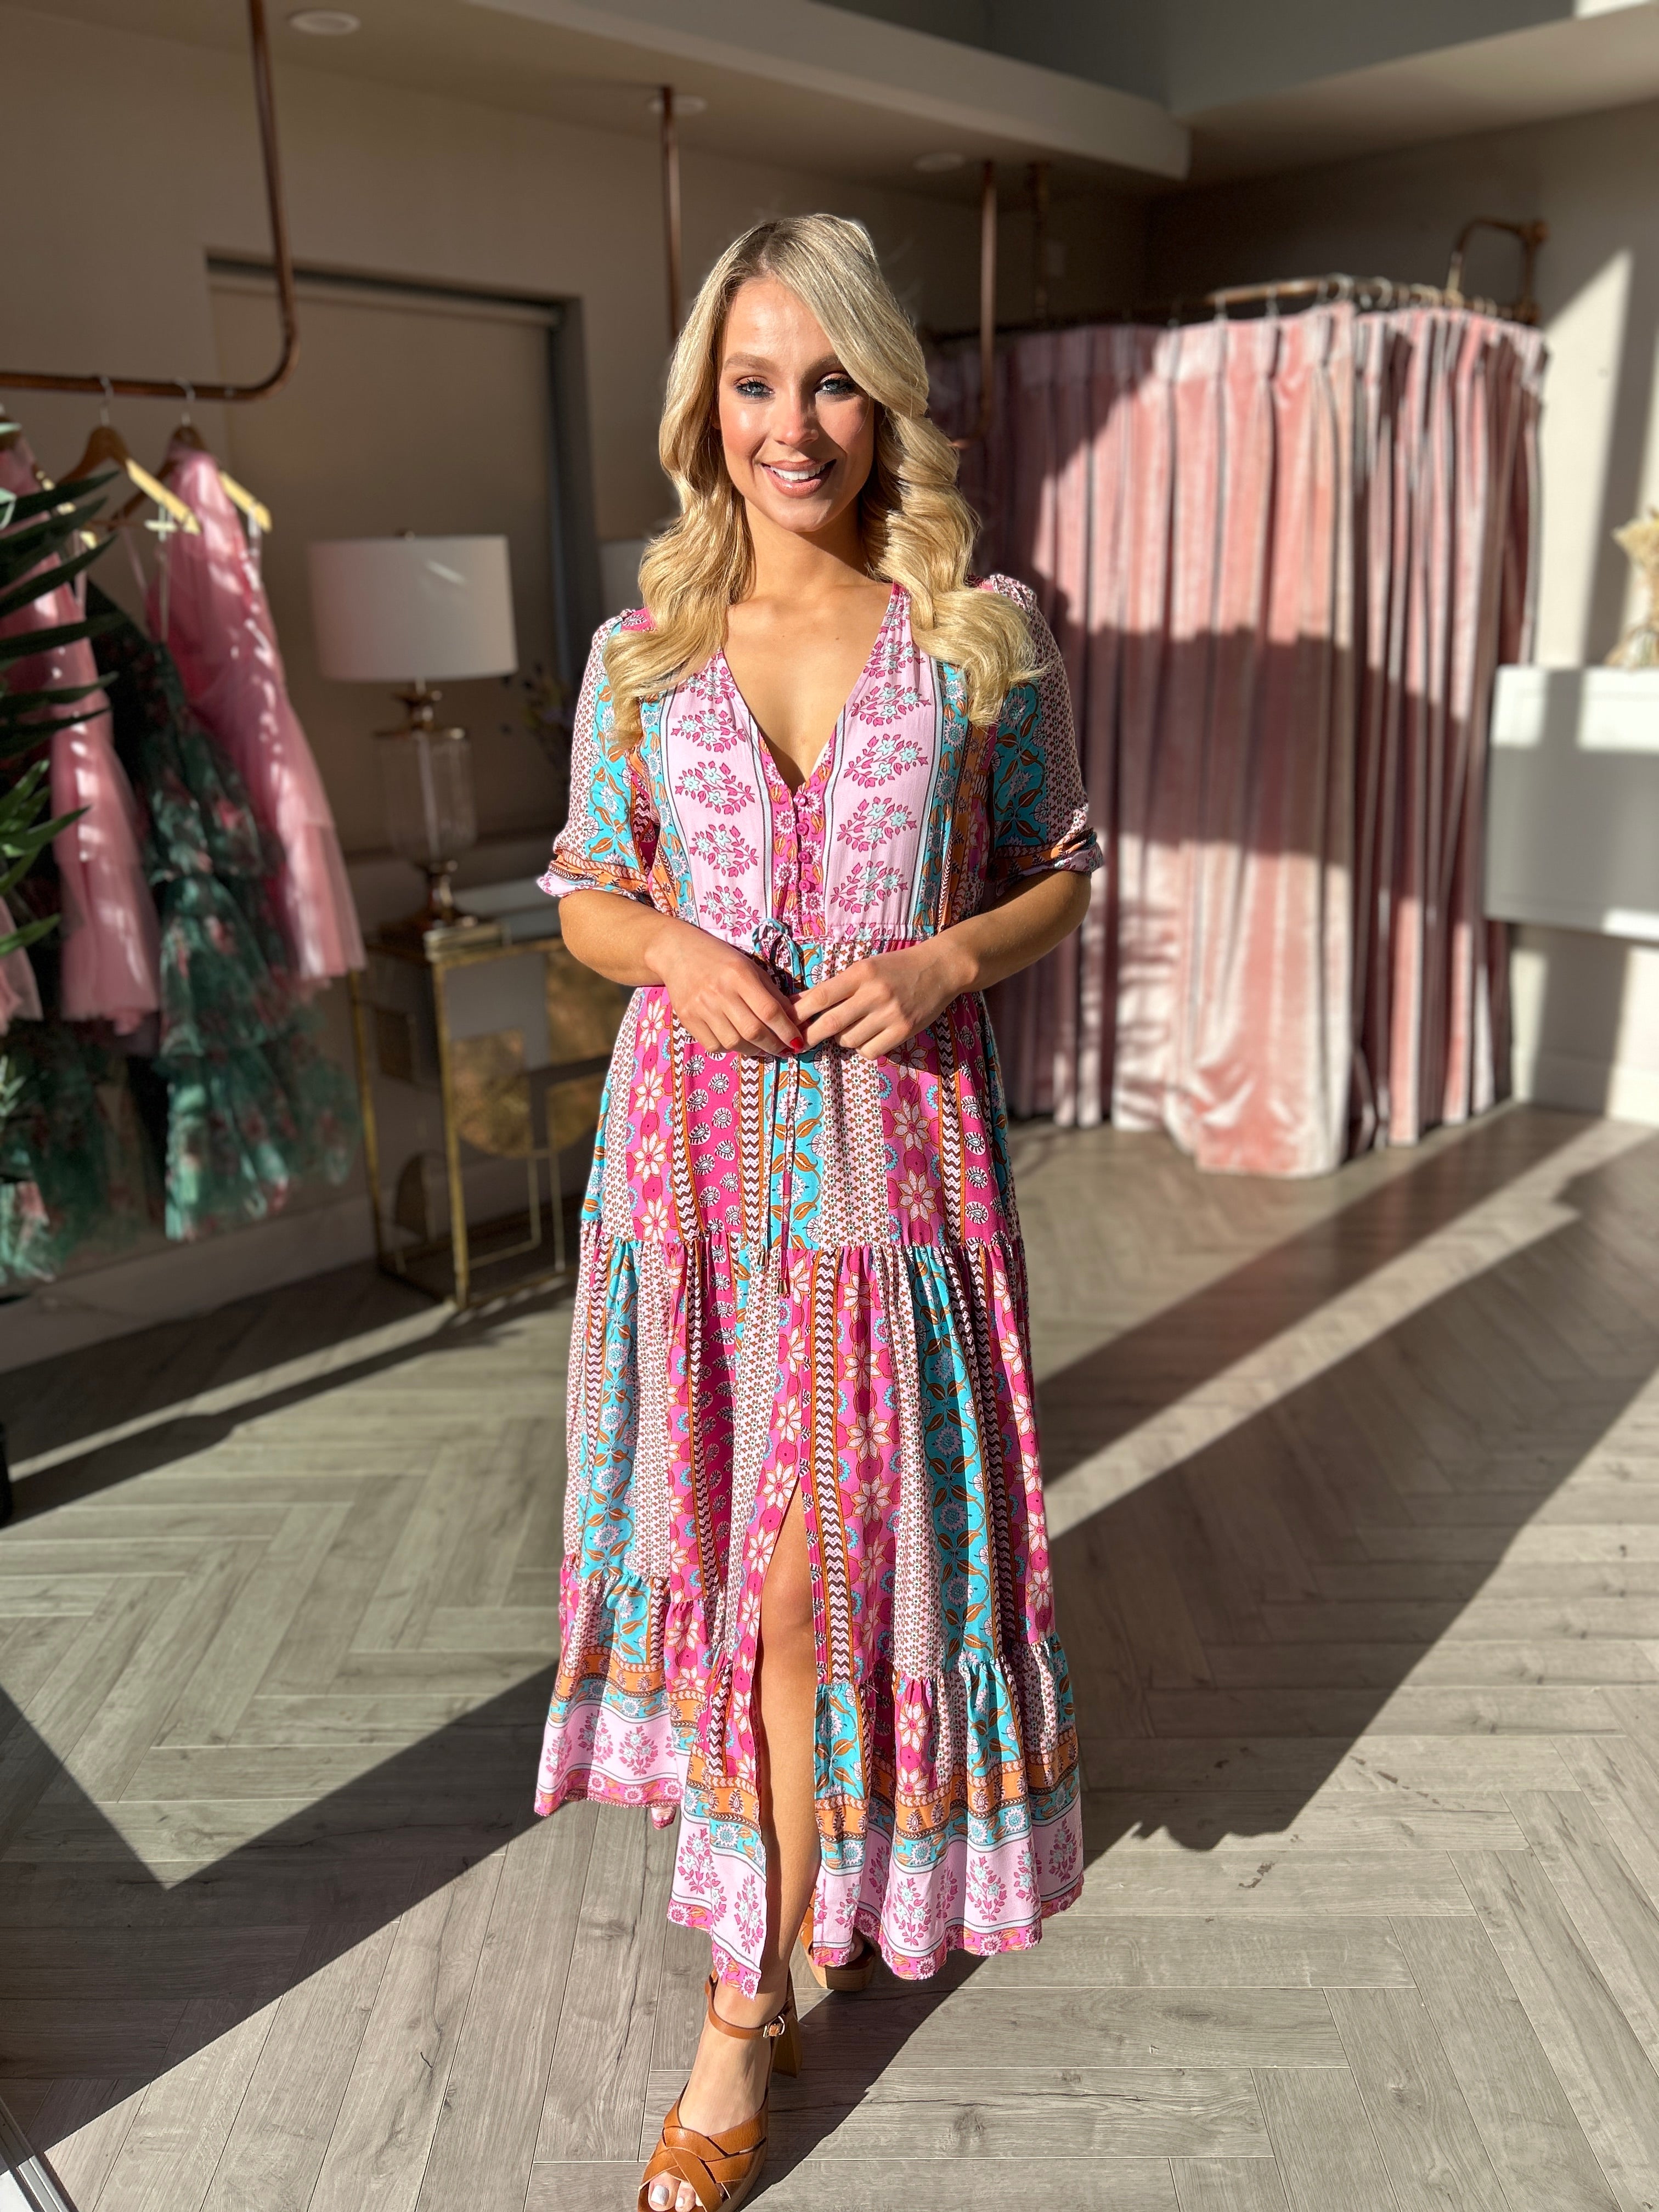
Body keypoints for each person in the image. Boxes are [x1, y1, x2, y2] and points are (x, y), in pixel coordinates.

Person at [535, 212, 1098, 2212]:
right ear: (708, 403)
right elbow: (585, 888)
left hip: (892, 1184)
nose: (795, 423)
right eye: (757, 381)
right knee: (745, 1587)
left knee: (808, 1589)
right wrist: (669, 948)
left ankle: (734, 2024)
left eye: (833, 379)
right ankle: (786, 1924)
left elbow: (1058, 866)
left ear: (887, 401)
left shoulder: (977, 632)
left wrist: (948, 961)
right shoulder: (642, 647)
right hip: (687, 1190)